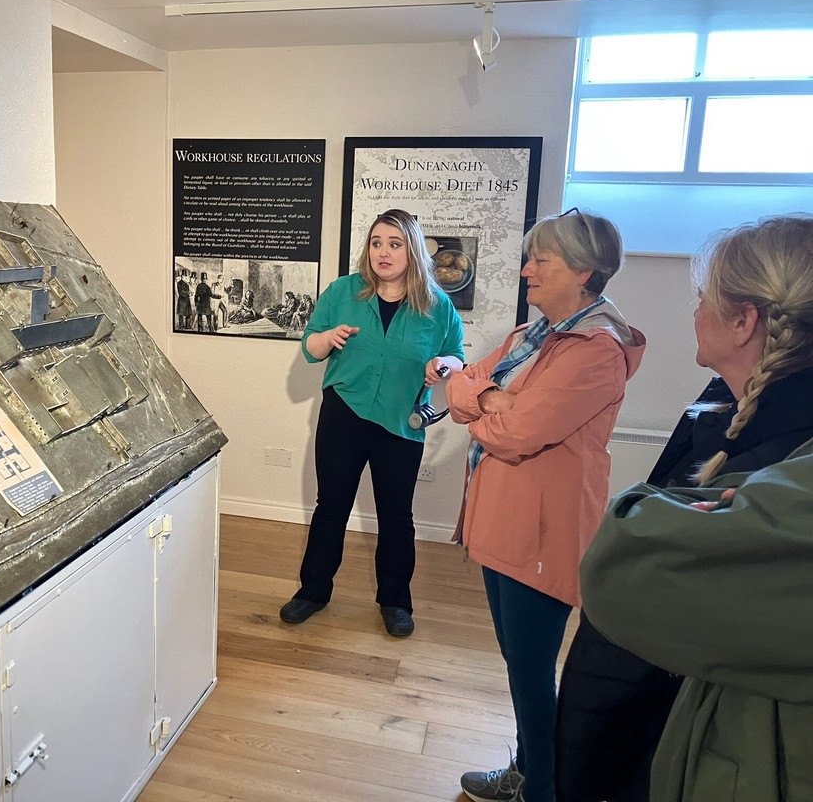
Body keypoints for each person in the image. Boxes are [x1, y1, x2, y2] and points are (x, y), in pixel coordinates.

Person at [559, 213, 813, 802]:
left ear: (744, 320)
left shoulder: (781, 455)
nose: (694, 311)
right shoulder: (724, 404)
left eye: (704, 298)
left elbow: (625, 567)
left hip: (713, 753)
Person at [444, 208, 645, 802]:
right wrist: (491, 398)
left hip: (542, 533)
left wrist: (484, 400)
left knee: (530, 671)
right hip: (501, 520)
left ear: (583, 271)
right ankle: (529, 771)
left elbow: (518, 433)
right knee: (519, 664)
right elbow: (458, 392)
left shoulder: (596, 349)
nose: (526, 269)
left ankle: (541, 789)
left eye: (541, 260)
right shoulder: (531, 337)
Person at [279, 209, 465, 637]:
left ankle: (396, 602)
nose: (383, 252)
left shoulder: (437, 306)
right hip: (344, 412)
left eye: (394, 244)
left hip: (402, 422)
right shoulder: (343, 291)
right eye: (377, 242)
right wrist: (326, 340)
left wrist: (444, 364)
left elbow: (457, 353)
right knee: (331, 507)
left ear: (413, 250)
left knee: (397, 516)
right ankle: (313, 591)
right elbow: (311, 344)